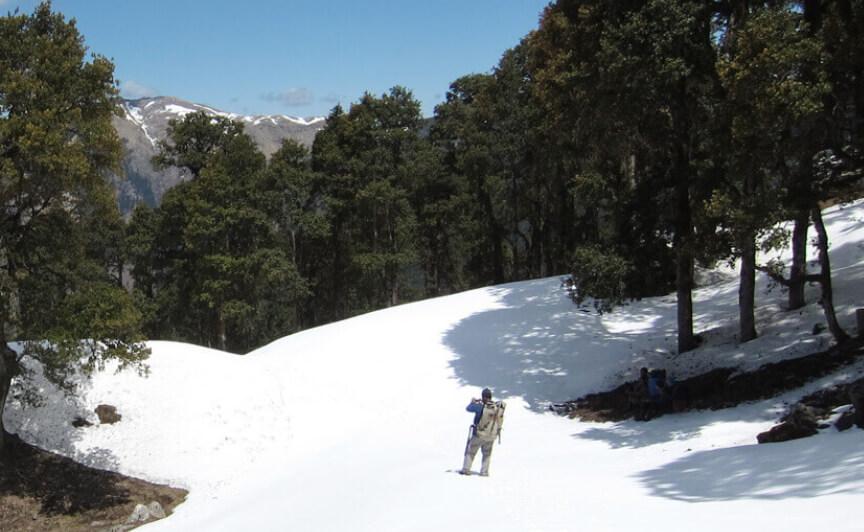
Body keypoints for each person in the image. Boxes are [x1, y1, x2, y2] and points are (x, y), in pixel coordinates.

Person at [460, 387, 496, 476]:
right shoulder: (495, 407)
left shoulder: (480, 406)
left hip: (479, 434)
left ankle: (466, 469)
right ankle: (485, 472)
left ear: (483, 397)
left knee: (471, 451)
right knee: (487, 454)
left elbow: (468, 408)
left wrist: (473, 402)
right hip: (491, 435)